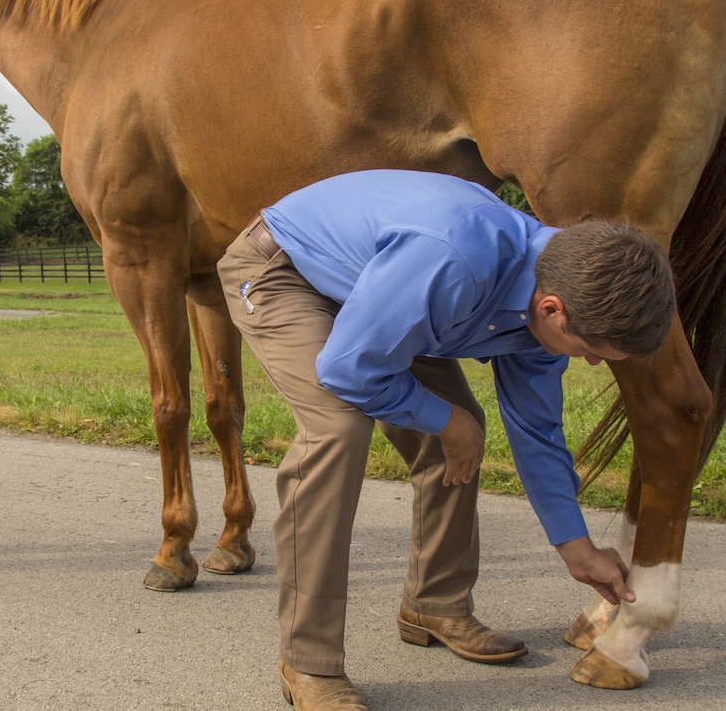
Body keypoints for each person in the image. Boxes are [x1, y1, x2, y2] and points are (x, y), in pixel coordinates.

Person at [217, 169, 677, 710]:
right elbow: (348, 370)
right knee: (339, 429)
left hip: (388, 287)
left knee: (457, 430)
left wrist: (576, 549)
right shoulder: (457, 261)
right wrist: (448, 420)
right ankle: (308, 661)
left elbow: (537, 431)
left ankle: (434, 604)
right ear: (552, 308)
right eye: (592, 349)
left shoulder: (558, 291)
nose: (592, 361)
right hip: (286, 271)